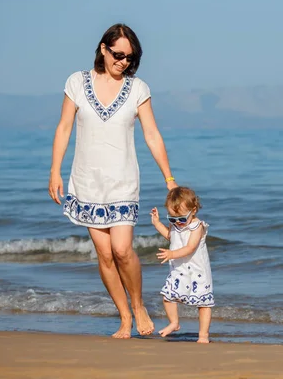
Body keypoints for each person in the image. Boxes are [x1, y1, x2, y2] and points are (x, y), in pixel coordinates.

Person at [48, 23, 177, 339]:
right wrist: (55, 170)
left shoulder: (138, 89)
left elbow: (151, 134)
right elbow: (64, 127)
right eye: (118, 55)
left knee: (121, 249)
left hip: (123, 180)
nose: (124, 62)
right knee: (104, 254)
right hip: (87, 181)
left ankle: (138, 305)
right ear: (103, 49)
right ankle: (124, 318)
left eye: (130, 58)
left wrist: (169, 179)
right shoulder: (77, 83)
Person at [151, 186, 214, 343]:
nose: (177, 222)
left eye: (181, 218)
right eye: (172, 218)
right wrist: (157, 223)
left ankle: (203, 335)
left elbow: (190, 248)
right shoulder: (176, 225)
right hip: (179, 270)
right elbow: (170, 236)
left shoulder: (196, 226)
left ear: (193, 211)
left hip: (198, 271)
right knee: (168, 296)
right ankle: (174, 322)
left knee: (203, 303)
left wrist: (171, 254)